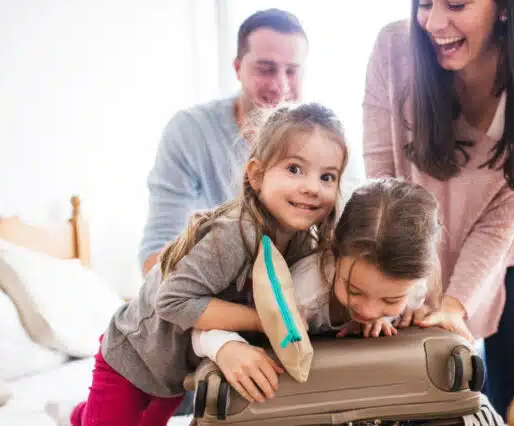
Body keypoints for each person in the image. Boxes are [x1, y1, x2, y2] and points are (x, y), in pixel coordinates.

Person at [50, 102, 348, 426]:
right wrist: (262, 320)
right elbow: (172, 301)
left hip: (173, 372)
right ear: (257, 174)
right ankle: (78, 415)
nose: (312, 187)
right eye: (294, 169)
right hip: (132, 356)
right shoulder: (235, 233)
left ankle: (79, 414)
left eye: (327, 176)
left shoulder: (303, 239)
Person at [361, 0, 514, 416]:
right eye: (424, 2)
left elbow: (502, 218)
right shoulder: (394, 50)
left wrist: (455, 306)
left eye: (456, 5)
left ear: (505, 6)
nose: (434, 23)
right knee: (433, 401)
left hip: (505, 253)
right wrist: (410, 285)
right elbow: (382, 183)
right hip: (417, 251)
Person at [190, 177, 445, 403]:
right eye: (354, 291)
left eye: (390, 299)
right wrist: (225, 347)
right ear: (334, 252)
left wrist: (409, 314)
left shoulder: (413, 286)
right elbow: (201, 328)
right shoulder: (304, 290)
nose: (368, 310)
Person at [138, 8, 309, 277]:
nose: (281, 86)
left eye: (292, 71)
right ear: (238, 69)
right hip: (209, 294)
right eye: (266, 69)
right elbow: (155, 258)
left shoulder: (325, 139)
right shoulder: (189, 133)